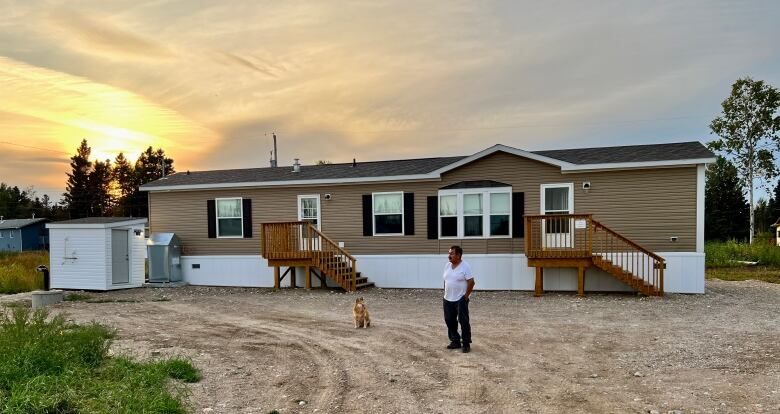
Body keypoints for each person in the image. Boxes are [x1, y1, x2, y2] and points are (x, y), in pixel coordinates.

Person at [442, 245, 475, 353]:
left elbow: (471, 282)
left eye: (451, 253)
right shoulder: (447, 265)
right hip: (447, 299)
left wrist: (465, 297)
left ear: (458, 255)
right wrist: (445, 292)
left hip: (460, 299)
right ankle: (455, 341)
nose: (449, 256)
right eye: (449, 253)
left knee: (463, 321)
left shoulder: (465, 266)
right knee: (449, 320)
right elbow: (446, 280)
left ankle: (466, 343)